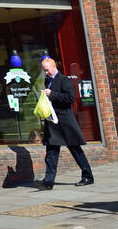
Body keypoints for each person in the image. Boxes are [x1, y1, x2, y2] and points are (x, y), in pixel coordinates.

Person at [38, 57, 95, 190]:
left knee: (75, 149)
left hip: (65, 120)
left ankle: (88, 176)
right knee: (51, 151)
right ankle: (49, 180)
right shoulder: (47, 80)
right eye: (44, 71)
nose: (46, 73)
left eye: (47, 70)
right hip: (53, 121)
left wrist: (52, 94)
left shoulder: (65, 80)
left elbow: (70, 98)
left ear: (54, 67)